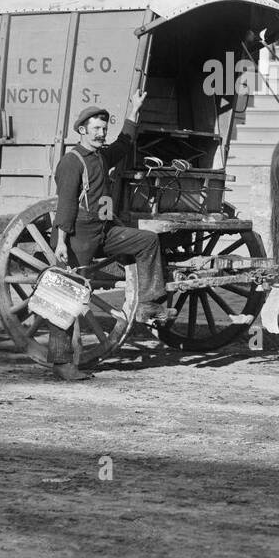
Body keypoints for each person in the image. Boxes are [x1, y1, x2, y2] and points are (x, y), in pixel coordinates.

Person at [46, 90, 170, 380]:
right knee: (66, 298)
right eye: (97, 129)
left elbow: (124, 143)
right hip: (77, 235)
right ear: (82, 131)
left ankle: (149, 305)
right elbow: (64, 204)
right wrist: (61, 241)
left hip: (104, 230)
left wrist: (134, 109)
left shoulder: (101, 156)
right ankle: (62, 365)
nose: (102, 134)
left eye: (104, 129)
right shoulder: (72, 161)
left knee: (147, 240)